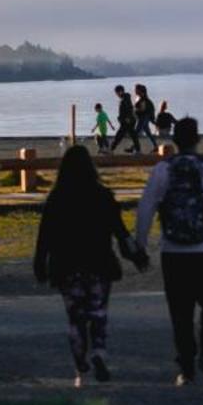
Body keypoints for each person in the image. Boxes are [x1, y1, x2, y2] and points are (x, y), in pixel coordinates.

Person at [135, 116, 203, 387]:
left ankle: (186, 366)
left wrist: (141, 245)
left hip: (174, 253)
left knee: (180, 312)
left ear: (174, 140)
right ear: (197, 139)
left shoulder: (162, 170)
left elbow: (145, 209)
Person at [33, 145, 140, 386]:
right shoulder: (103, 195)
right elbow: (120, 231)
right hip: (99, 263)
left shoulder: (57, 198)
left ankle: (80, 362)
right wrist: (135, 255)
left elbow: (45, 236)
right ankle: (99, 352)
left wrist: (40, 263)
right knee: (98, 313)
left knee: (76, 317)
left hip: (67, 265)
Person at [113, 85, 140, 155]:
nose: (116, 95)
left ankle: (111, 149)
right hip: (128, 120)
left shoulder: (125, 99)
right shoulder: (125, 98)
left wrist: (127, 118)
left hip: (127, 121)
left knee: (119, 135)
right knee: (132, 135)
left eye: (117, 93)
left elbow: (129, 108)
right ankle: (138, 150)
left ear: (121, 91)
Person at [134, 84, 158, 149]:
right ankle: (156, 146)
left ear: (140, 91)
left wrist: (134, 109)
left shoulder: (143, 99)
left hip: (143, 117)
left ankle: (133, 148)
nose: (134, 91)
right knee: (148, 133)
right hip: (144, 117)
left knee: (136, 132)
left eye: (136, 89)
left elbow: (143, 109)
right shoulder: (141, 98)